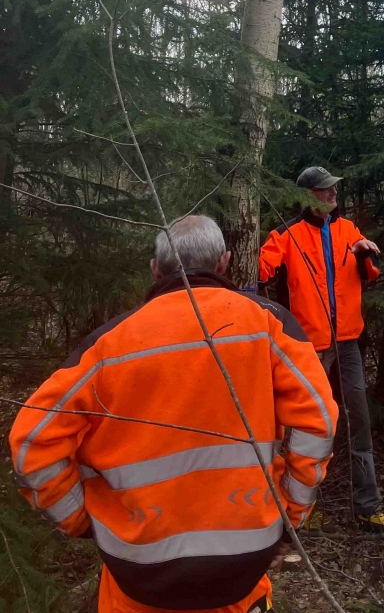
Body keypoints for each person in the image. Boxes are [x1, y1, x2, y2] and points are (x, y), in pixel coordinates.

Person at [10, 215, 338, 613]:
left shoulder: (107, 346)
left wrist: (82, 521)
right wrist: (292, 514)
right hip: (245, 559)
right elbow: (319, 419)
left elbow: (31, 444)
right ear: (224, 262)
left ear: (154, 269)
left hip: (138, 569)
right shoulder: (268, 323)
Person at [259, 166, 384, 532]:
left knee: (359, 421)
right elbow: (259, 272)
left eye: (334, 188)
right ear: (307, 195)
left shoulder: (348, 230)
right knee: (308, 426)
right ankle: (299, 509)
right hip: (309, 348)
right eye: (324, 189)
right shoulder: (286, 234)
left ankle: (367, 507)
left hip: (348, 341)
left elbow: (371, 271)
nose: (333, 193)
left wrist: (363, 253)